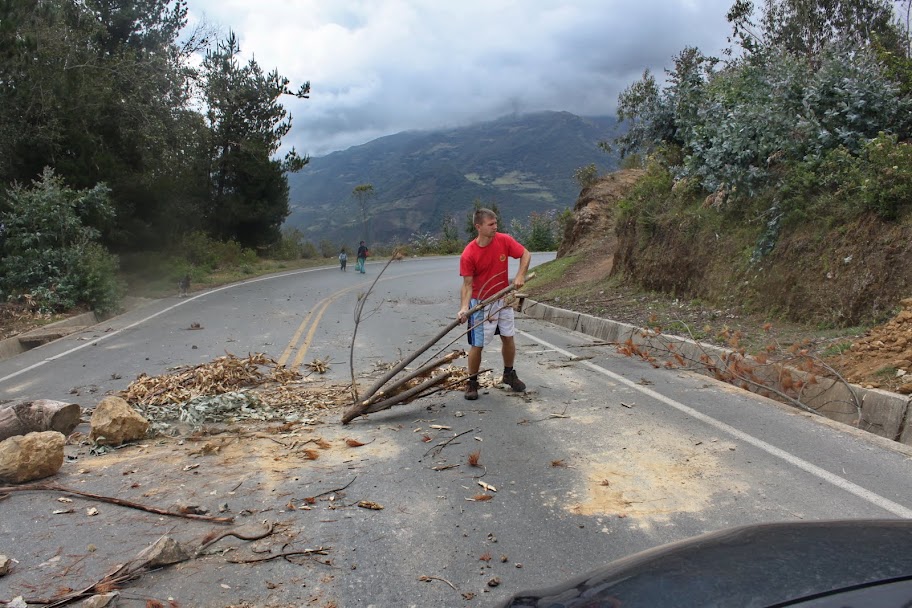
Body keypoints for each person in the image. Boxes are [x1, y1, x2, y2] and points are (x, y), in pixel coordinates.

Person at [457, 208, 531, 400]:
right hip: (481, 304)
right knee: (477, 344)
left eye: (496, 223)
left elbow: (525, 254)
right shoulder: (469, 253)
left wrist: (520, 274)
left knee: (508, 336)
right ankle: (472, 382)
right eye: (491, 224)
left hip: (503, 300)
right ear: (478, 227)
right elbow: (467, 285)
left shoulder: (504, 240)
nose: (495, 227)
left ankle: (508, 374)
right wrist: (465, 308)